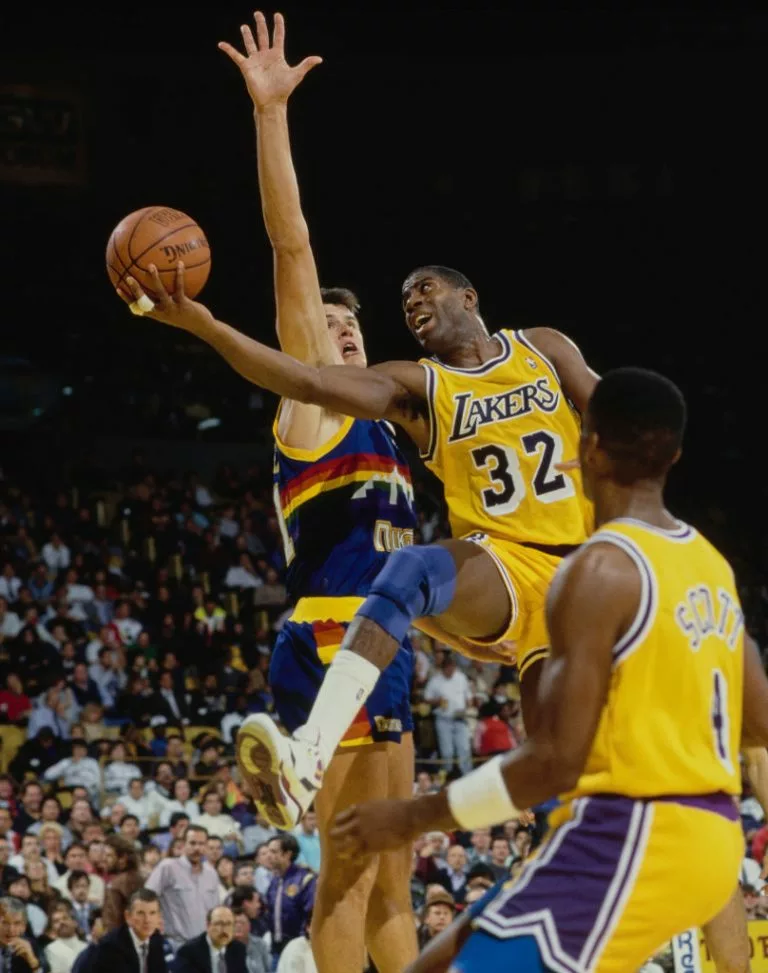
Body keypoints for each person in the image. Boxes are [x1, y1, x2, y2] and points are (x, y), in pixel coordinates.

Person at [127, 14, 597, 836]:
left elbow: (624, 429)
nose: (409, 308)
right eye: (402, 303)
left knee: (553, 784)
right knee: (411, 573)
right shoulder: (401, 390)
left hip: (561, 581)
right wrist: (206, 325)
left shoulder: (543, 348)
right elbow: (296, 293)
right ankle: (305, 753)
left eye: (422, 295)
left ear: (470, 297)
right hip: (452, 584)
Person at [330, 367, 767, 973]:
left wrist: (409, 817)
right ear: (674, 455)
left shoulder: (595, 571)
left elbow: (551, 762)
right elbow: (757, 723)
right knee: (435, 961)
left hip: (633, 835)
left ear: (585, 447)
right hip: (712, 841)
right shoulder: (711, 565)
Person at [144, 825, 220, 950]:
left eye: (202, 844)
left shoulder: (211, 873)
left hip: (206, 945)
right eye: (192, 843)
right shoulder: (168, 867)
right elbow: (146, 898)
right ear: (183, 844)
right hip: (177, 945)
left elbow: (215, 911)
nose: (197, 848)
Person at [75, 889, 167, 973]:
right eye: (140, 913)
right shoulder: (111, 946)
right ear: (128, 917)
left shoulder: (156, 939)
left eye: (152, 913)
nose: (147, 920)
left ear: (159, 917)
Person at [173, 906, 247, 973]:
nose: (224, 929)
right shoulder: (188, 952)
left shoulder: (238, 949)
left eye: (229, 924)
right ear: (208, 925)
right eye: (219, 924)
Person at [0, 896, 43, 972]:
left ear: (24, 927)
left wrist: (33, 962)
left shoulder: (30, 947)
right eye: (5, 923)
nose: (11, 930)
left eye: (17, 923)